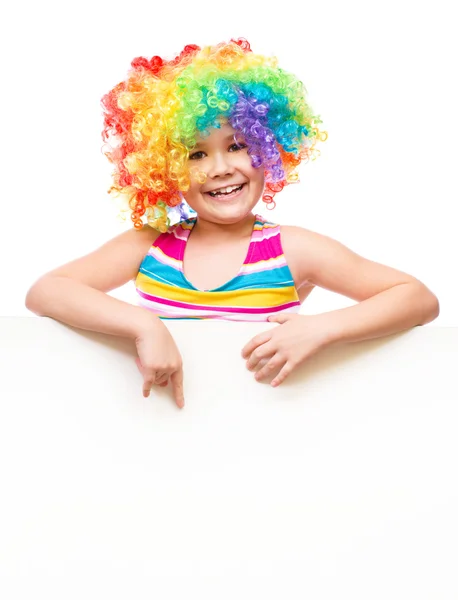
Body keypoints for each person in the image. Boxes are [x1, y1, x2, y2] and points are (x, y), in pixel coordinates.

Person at [25, 39, 440, 410]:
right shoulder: (150, 246)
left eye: (237, 146)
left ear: (267, 149)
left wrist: (323, 329)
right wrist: (143, 325)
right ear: (165, 169)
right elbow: (46, 291)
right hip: (161, 443)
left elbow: (417, 299)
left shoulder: (291, 249)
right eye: (195, 154)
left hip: (262, 441)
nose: (220, 169)